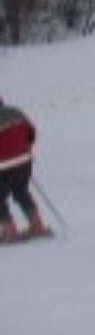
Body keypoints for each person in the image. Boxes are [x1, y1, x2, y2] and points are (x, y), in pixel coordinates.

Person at [0, 97, 49, 242]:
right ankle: (37, 226)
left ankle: (9, 232)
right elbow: (31, 133)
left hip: (3, 166)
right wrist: (21, 150)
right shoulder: (16, 112)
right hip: (25, 163)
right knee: (21, 191)